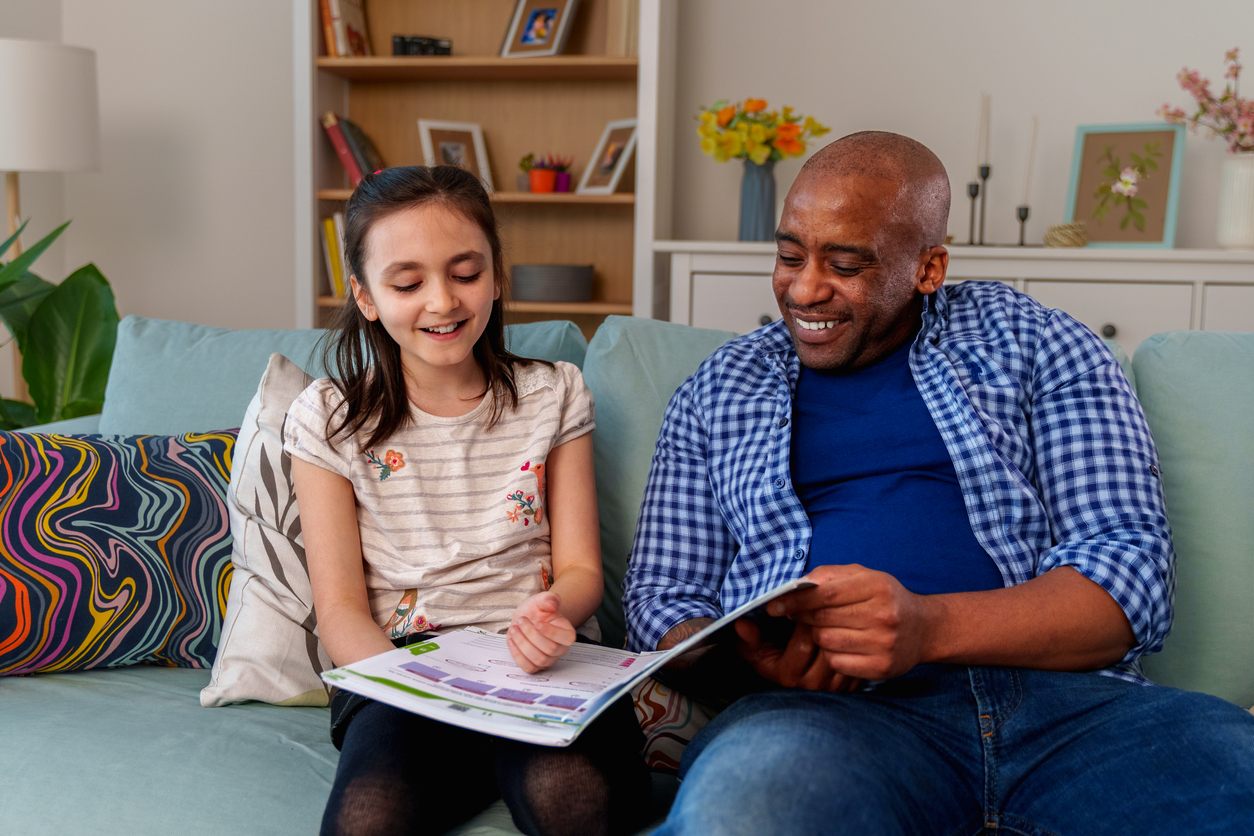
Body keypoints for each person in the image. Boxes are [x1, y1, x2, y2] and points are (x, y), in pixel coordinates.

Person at [622, 132, 1254, 834]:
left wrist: (925, 628)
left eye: (846, 263)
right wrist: (748, 662)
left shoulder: (1039, 344)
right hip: (824, 721)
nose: (802, 290)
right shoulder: (718, 390)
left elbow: (1127, 578)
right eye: (789, 255)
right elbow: (662, 596)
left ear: (929, 267)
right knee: (743, 813)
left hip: (1074, 714)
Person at [286, 166, 649, 836]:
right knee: (367, 821)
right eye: (407, 282)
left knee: (568, 796)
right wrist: (427, 693)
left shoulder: (554, 394)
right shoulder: (328, 416)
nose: (442, 301)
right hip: (401, 674)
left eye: (465, 272)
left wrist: (549, 617)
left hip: (545, 666)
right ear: (365, 297)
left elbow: (580, 574)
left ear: (497, 275)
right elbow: (339, 612)